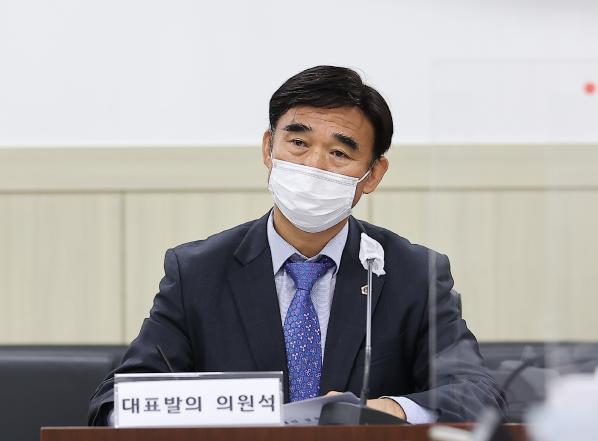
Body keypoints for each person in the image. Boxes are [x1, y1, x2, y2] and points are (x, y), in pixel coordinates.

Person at [89, 65, 505, 425]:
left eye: (339, 152)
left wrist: (386, 410)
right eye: (299, 143)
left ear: (373, 174)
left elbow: (477, 395)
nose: (313, 165)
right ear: (268, 149)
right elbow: (115, 403)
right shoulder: (199, 271)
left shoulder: (412, 274)